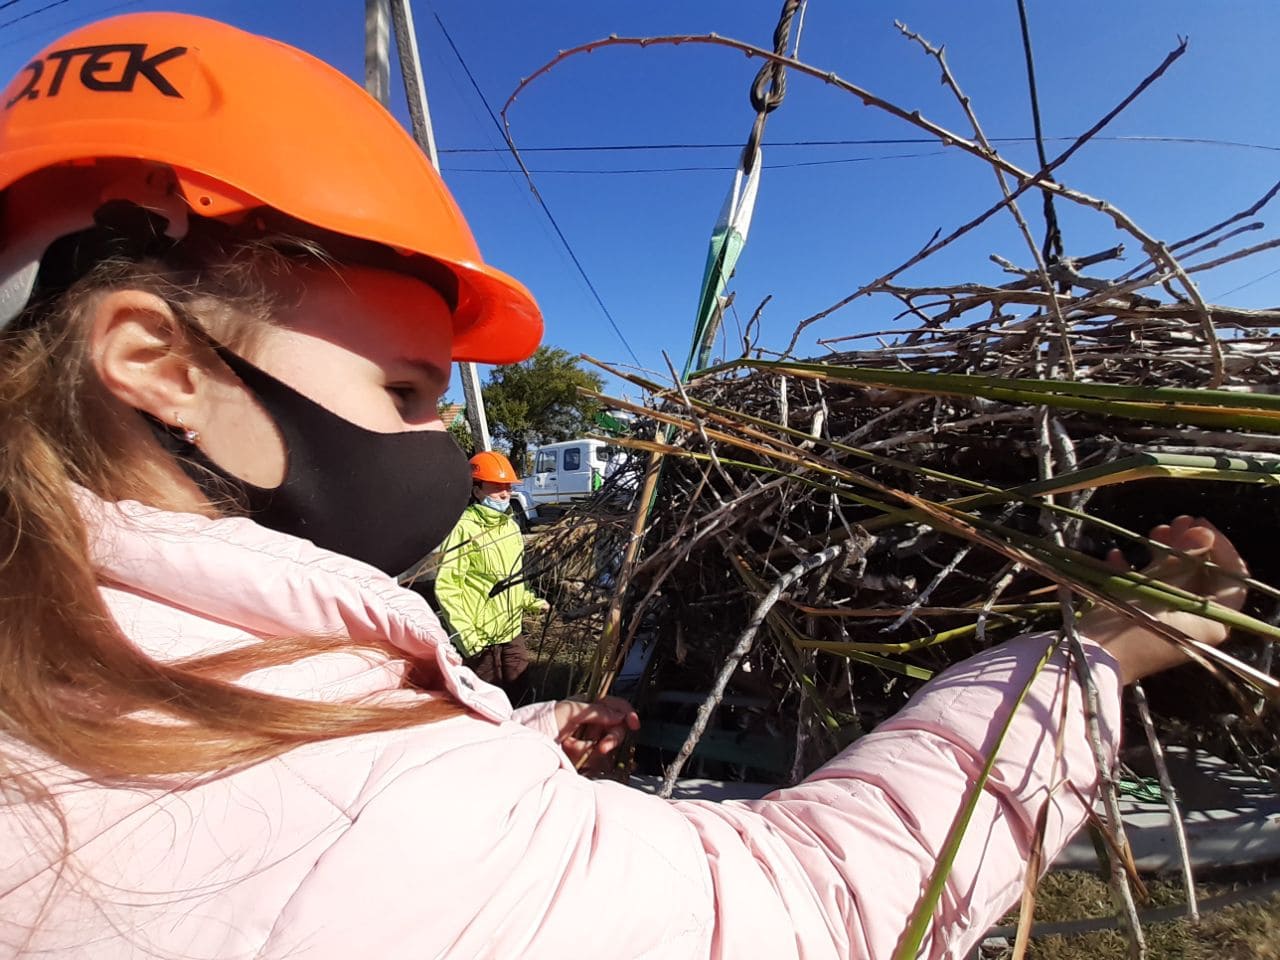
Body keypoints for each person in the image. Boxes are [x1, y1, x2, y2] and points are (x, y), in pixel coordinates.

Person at [0, 13, 1249, 960]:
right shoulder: (287, 784)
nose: (439, 448)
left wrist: (518, 750)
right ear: (152, 362)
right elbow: (808, 904)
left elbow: (362, 836)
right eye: (403, 389)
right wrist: (1093, 657)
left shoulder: (89, 669)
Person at [434, 451, 548, 700]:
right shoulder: (464, 528)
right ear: (477, 491)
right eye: (496, 487)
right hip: (480, 637)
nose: (505, 493)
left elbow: (515, 577)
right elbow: (448, 586)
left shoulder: (510, 526)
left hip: (510, 629)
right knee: (486, 700)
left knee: (521, 692)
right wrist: (467, 636)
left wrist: (530, 601)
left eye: (507, 486)